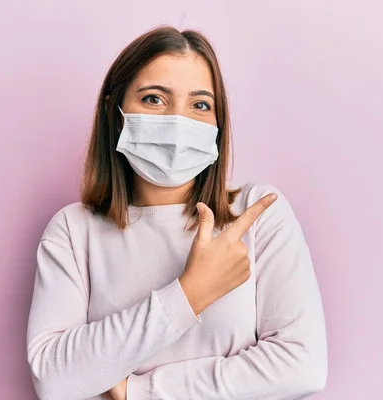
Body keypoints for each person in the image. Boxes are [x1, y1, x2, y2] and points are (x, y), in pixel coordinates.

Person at [26, 26, 328, 400]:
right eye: (154, 99)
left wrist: (139, 391)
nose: (178, 122)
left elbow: (302, 366)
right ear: (113, 111)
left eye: (200, 104)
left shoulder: (256, 214)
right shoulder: (73, 230)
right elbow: (54, 379)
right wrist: (189, 295)